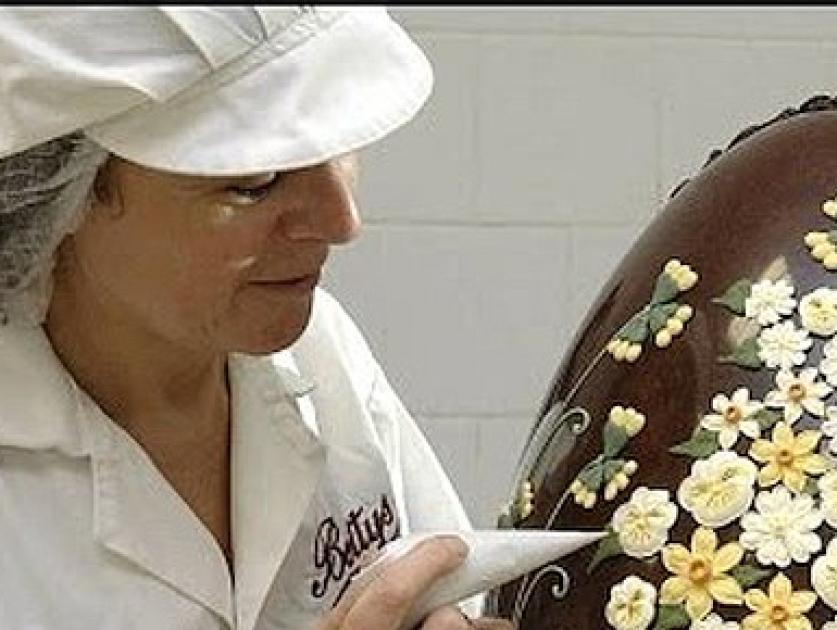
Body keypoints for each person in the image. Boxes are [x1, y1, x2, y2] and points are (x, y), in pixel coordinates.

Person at [0, 7, 512, 630]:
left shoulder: (323, 355)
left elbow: (458, 590)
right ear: (64, 184)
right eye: (255, 182)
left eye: (338, 148)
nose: (341, 221)